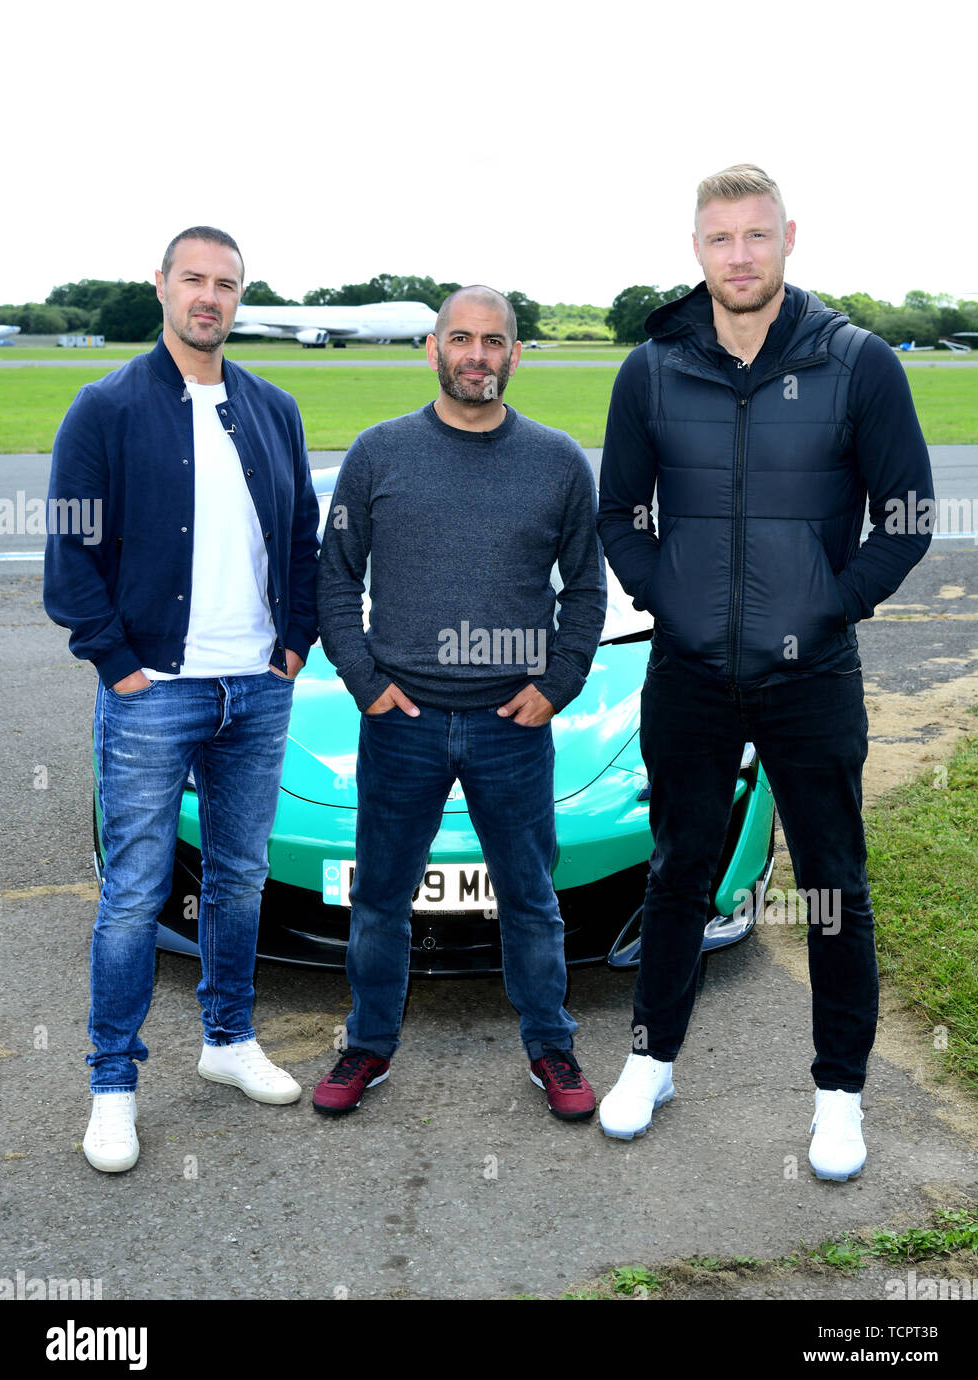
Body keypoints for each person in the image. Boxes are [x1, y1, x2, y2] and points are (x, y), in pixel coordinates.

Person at [595, 166, 934, 1178]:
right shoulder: (651, 368)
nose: (738, 255)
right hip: (690, 671)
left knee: (832, 884)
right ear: (695, 249)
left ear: (788, 236)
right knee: (677, 872)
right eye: (719, 238)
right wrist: (668, 597)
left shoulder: (857, 361)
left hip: (811, 674)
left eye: (755, 234)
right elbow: (618, 513)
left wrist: (827, 604)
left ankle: (838, 1095)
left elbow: (906, 516)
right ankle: (650, 1060)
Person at [44, 226, 320, 1171]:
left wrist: (293, 647)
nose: (210, 297)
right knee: (134, 893)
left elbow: (302, 539)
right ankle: (112, 1084)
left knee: (239, 879)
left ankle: (228, 1039)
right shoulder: (106, 407)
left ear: (240, 297)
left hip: (257, 686)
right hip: (153, 690)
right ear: (161, 285)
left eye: (226, 284)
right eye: (193, 279)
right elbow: (70, 553)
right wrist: (118, 662)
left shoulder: (273, 408)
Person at [315, 286, 607, 1121]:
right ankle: (368, 1044)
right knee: (381, 897)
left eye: (494, 341)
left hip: (509, 727)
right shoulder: (379, 453)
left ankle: (550, 1045)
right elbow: (334, 578)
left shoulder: (557, 460)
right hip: (401, 723)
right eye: (461, 339)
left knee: (530, 897)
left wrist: (556, 685)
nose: (477, 355)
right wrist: (365, 681)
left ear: (515, 354)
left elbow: (587, 588)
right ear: (433, 348)